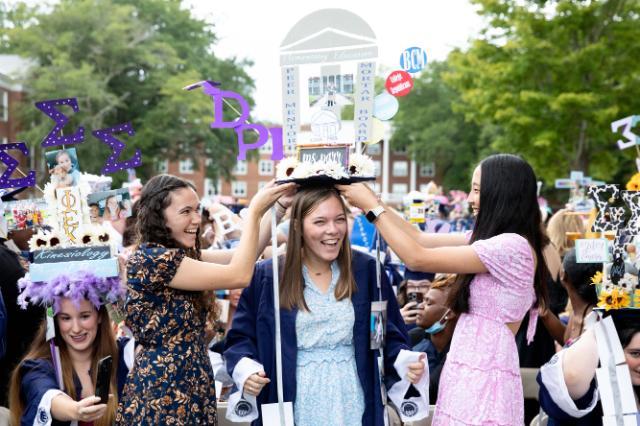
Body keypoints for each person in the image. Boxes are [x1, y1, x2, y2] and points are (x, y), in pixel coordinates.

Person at [339, 153, 549, 425]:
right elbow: (419, 238)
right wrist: (374, 202)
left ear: (501, 193)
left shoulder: (511, 247)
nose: (471, 199)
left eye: (476, 190)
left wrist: (371, 206)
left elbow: (416, 257)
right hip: (468, 364)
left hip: (485, 372)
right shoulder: (491, 240)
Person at [224, 186, 427, 426]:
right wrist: (247, 371)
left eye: (339, 219)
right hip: (293, 398)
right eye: (320, 221)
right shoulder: (269, 276)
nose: (333, 230)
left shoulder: (366, 272)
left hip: (353, 397)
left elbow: (382, 335)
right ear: (298, 227)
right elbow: (240, 339)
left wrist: (403, 361)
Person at [115, 174, 294, 425]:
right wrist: (253, 211)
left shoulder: (175, 256)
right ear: (159, 216)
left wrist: (278, 207)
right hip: (164, 391)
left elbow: (243, 257)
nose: (196, 220)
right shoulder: (154, 260)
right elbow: (239, 275)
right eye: (185, 211)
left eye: (197, 210)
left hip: (188, 384)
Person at [9, 273, 126, 426]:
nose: (76, 329)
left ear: (99, 316)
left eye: (84, 316)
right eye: (66, 318)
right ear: (55, 321)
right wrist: (75, 410)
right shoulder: (38, 367)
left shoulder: (123, 354)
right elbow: (44, 393)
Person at [537, 311, 640, 424]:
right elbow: (572, 376)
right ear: (611, 349)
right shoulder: (590, 385)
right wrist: (599, 325)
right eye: (635, 354)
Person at [413, 275, 458, 404]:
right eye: (423, 300)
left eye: (429, 303)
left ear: (449, 313)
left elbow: (431, 392)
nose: (420, 306)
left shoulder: (461, 351)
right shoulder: (412, 339)